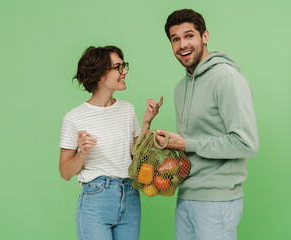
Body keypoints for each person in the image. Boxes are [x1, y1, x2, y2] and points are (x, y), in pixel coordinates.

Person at [157, 9, 259, 240]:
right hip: (186, 197)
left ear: (205, 37)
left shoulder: (227, 78)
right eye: (175, 39)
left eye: (189, 35)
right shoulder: (180, 88)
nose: (182, 44)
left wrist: (186, 143)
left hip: (217, 201)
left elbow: (246, 143)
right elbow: (194, 143)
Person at [59, 45, 163, 240]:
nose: (124, 72)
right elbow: (65, 172)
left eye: (123, 66)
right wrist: (82, 153)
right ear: (100, 75)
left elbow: (137, 160)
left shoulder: (127, 110)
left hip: (130, 196)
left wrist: (147, 122)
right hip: (96, 200)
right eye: (118, 67)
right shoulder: (74, 118)